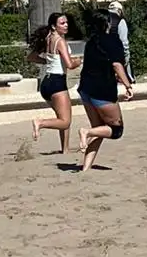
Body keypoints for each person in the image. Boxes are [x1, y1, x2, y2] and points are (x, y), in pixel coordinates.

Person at [77, 11, 134, 172]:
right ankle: (86, 132)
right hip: (102, 91)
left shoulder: (91, 42)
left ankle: (86, 168)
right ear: (107, 23)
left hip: (85, 89)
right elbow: (117, 65)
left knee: (99, 129)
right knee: (116, 130)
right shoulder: (112, 40)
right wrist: (128, 85)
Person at [29, 12, 80, 152]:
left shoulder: (47, 39)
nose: (66, 25)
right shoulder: (60, 41)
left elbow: (31, 57)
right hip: (57, 82)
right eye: (62, 23)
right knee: (65, 121)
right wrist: (78, 61)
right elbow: (70, 65)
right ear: (53, 26)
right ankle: (40, 123)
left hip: (47, 83)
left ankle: (65, 149)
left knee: (63, 117)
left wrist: (48, 61)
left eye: (66, 22)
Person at [107, 0, 132, 80]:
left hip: (104, 56)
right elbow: (124, 42)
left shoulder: (103, 20)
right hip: (117, 56)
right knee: (125, 78)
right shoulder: (121, 21)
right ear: (119, 10)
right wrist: (126, 58)